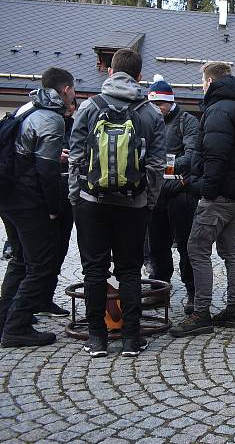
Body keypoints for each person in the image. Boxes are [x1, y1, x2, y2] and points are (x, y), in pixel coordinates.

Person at [69, 49, 166, 357]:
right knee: (129, 270)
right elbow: (156, 166)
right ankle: (131, 340)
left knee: (94, 270)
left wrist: (76, 197)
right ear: (139, 77)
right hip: (133, 204)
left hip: (91, 201)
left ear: (109, 72)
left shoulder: (88, 107)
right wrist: (148, 201)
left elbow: (75, 158)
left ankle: (96, 339)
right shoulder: (151, 113)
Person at [169, 62, 235, 337]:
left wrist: (203, 188)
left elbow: (215, 157)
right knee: (231, 251)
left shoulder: (218, 110)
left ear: (209, 82)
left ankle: (201, 313)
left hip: (218, 196)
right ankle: (233, 310)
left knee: (197, 248)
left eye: (202, 83)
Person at [0, 67, 75, 347]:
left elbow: (27, 150)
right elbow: (46, 171)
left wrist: (56, 155)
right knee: (42, 264)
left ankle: (5, 318)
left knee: (20, 259)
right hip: (28, 200)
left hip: (8, 194)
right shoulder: (52, 117)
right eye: (74, 91)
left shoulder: (28, 107)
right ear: (66, 90)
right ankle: (17, 327)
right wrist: (55, 207)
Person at [144, 76, 199, 314]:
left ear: (170, 102)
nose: (156, 109)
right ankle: (159, 289)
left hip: (180, 194)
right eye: (152, 105)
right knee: (157, 246)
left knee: (186, 246)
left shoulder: (186, 121)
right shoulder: (148, 121)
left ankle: (192, 291)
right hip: (155, 193)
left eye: (161, 105)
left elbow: (193, 155)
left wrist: (165, 166)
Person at [36, 98, 78, 318]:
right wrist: (56, 155)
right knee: (40, 252)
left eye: (73, 105)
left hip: (66, 190)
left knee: (60, 246)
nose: (71, 109)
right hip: (46, 192)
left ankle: (45, 297)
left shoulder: (75, 125)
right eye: (69, 104)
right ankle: (32, 299)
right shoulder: (47, 122)